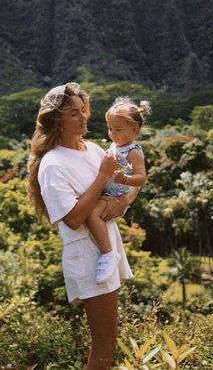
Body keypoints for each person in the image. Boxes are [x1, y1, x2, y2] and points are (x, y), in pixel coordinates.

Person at [27, 82, 138, 370]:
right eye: (74, 113)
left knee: (109, 340)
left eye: (83, 109)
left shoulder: (92, 150)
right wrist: (102, 178)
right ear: (57, 121)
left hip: (106, 248)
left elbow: (115, 195)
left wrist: (119, 204)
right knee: (104, 341)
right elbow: (74, 218)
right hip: (87, 256)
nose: (84, 116)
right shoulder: (52, 164)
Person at [87, 96, 151, 284]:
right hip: (108, 191)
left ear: (134, 129)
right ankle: (107, 252)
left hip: (117, 195)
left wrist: (125, 178)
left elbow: (142, 178)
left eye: (118, 130)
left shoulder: (133, 151)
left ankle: (108, 254)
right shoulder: (116, 145)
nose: (113, 134)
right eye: (110, 129)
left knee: (92, 215)